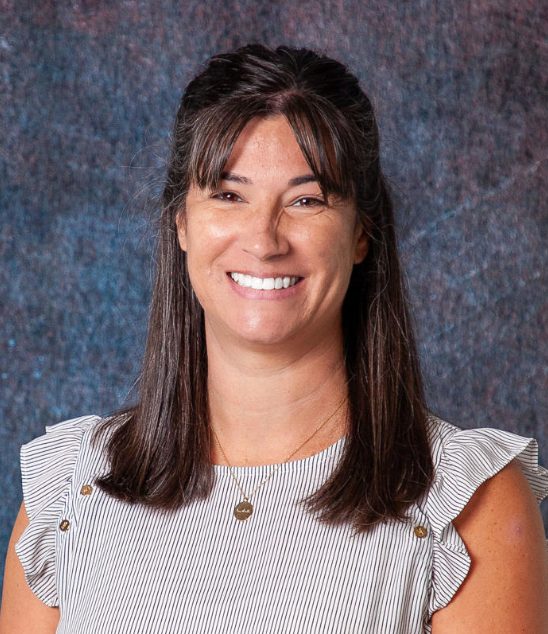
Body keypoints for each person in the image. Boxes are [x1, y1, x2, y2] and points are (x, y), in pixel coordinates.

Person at [1, 43, 547, 634]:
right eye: (229, 195)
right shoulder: (68, 494)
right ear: (181, 222)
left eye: (307, 200)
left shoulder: (464, 506)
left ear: (362, 233)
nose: (264, 240)